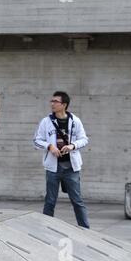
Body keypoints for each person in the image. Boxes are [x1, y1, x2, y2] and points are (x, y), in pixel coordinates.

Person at [33, 91, 90, 228]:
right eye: (51, 101)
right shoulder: (46, 122)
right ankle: (46, 228)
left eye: (55, 102)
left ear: (64, 105)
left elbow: (84, 139)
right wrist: (50, 146)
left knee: (77, 200)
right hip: (53, 168)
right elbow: (36, 140)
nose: (52, 104)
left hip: (71, 168)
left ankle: (85, 229)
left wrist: (72, 145)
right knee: (50, 201)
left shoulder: (75, 121)